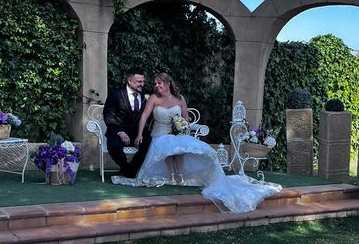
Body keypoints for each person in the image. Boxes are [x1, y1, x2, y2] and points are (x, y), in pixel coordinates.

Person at [112, 72, 281, 213]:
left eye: (160, 83)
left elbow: (186, 119)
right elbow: (144, 117)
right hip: (158, 134)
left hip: (175, 133)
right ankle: (173, 175)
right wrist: (139, 135)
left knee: (182, 146)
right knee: (168, 146)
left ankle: (179, 175)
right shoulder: (153, 99)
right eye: (155, 84)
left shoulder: (180, 99)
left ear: (168, 83)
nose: (157, 86)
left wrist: (181, 125)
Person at [103, 68, 152, 178]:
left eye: (143, 81)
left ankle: (131, 169)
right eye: (139, 81)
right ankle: (127, 169)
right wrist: (120, 132)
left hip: (138, 133)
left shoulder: (147, 95)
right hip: (118, 131)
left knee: (149, 143)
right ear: (129, 81)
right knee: (113, 145)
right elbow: (108, 115)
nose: (142, 84)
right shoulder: (116, 94)